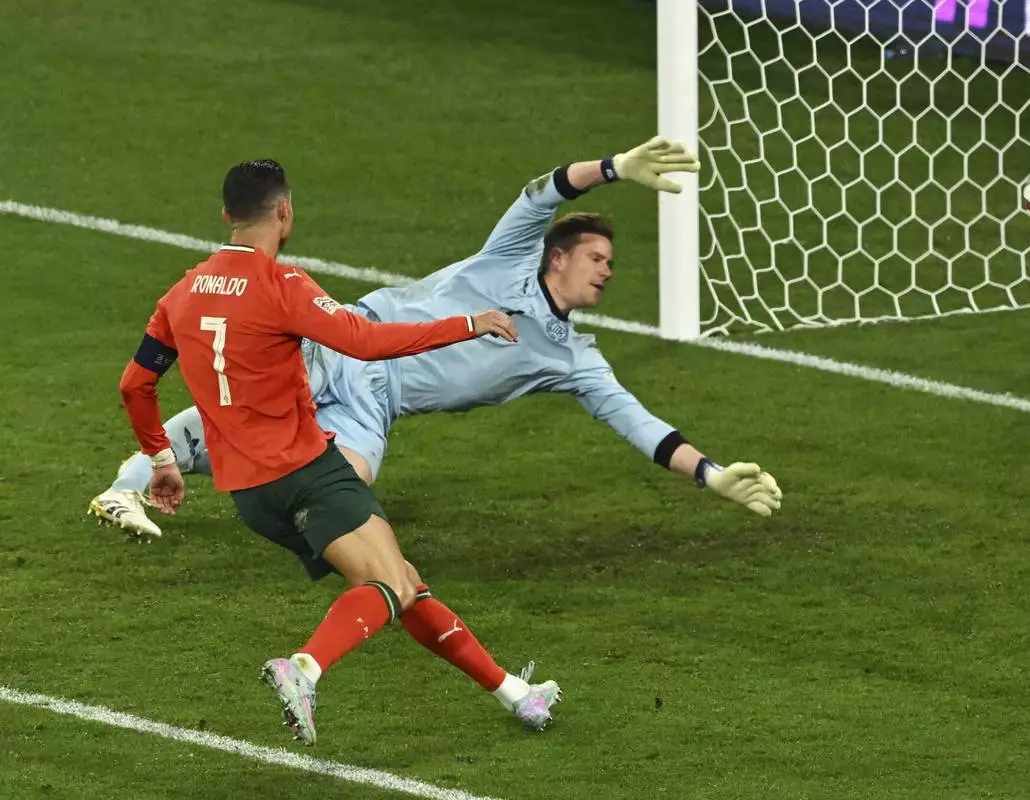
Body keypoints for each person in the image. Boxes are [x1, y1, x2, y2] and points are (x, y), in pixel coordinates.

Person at [92, 136, 782, 543]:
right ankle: (128, 483)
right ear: (559, 256)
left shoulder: (573, 359)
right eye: (597, 257)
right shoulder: (509, 255)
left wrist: (712, 474)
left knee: (340, 491)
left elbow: (639, 424)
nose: (607, 271)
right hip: (348, 335)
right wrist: (616, 166)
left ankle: (164, 480)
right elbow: (542, 193)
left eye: (611, 265)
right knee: (260, 418)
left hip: (378, 402)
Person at [117, 158, 560, 745]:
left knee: (403, 579)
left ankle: (515, 694)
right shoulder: (283, 286)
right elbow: (365, 341)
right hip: (308, 473)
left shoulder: (179, 295)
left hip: (249, 495)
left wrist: (164, 459)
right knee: (390, 586)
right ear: (284, 211)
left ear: (226, 215)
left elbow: (135, 385)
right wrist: (469, 324)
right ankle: (303, 668)